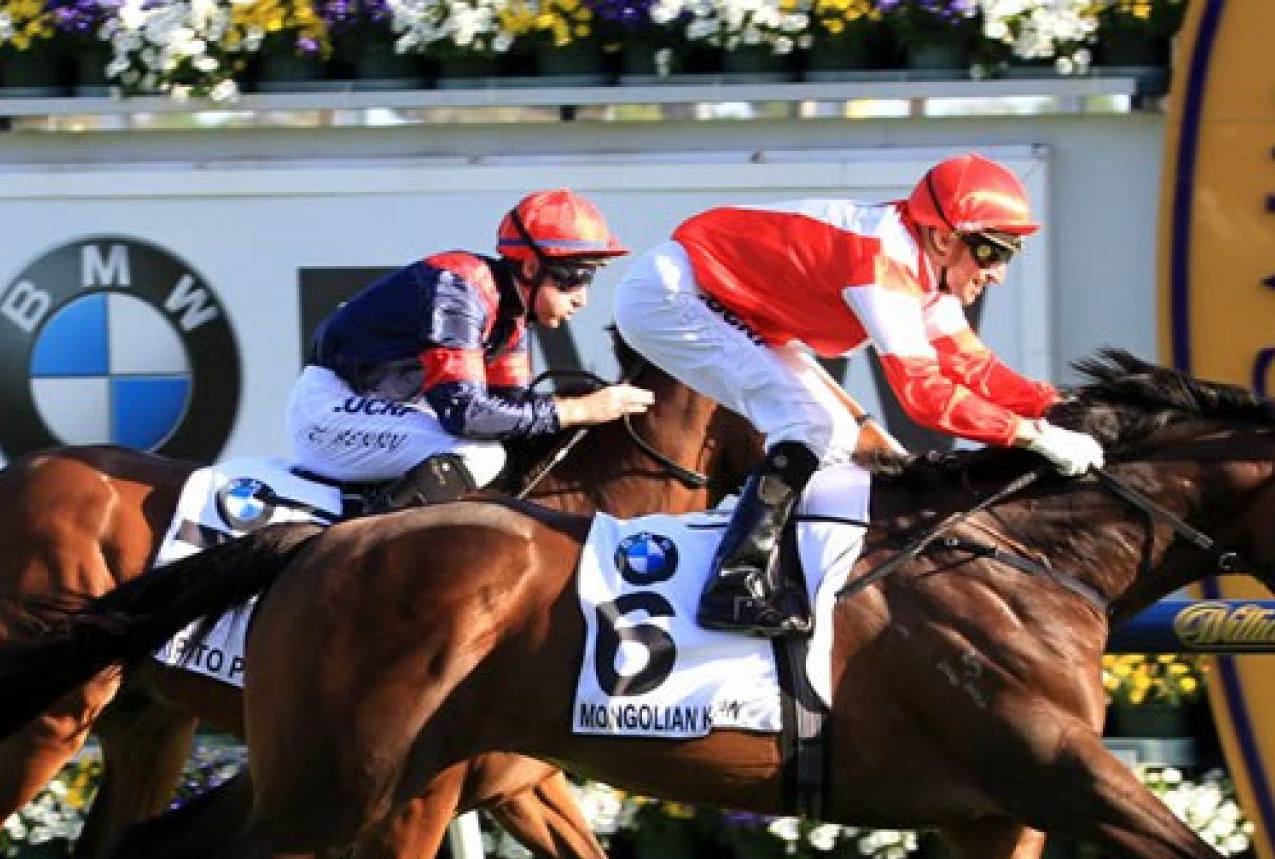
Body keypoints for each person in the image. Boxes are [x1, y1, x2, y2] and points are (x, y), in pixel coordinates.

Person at [613, 153, 1106, 638]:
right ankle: (731, 583)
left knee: (838, 434)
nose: (997, 272)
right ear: (943, 237)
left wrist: (1059, 409)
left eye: (1007, 255)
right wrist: (1033, 436)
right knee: (811, 425)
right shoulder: (883, 263)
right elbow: (925, 397)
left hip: (719, 296)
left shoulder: (924, 264)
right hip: (674, 296)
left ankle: (750, 556)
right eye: (991, 252)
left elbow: (973, 367)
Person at [288, 188, 655, 510]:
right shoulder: (458, 288)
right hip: (331, 412)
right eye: (576, 278)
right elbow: (466, 414)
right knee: (479, 455)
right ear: (530, 267)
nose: (582, 299)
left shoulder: (510, 318)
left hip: (388, 412)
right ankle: (365, 551)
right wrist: (580, 409)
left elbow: (508, 412)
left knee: (499, 450)